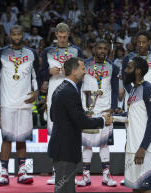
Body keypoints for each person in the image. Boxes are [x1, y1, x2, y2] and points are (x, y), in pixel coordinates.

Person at [48, 57, 113, 193]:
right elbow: (81, 122)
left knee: (64, 188)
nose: (85, 72)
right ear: (73, 70)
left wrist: (79, 115)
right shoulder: (70, 91)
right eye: (83, 69)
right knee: (66, 189)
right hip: (66, 149)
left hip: (61, 148)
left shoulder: (60, 88)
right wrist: (102, 120)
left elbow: (54, 116)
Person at [0, 25, 41, 186]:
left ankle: (22, 172)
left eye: (19, 34)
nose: (17, 36)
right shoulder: (1, 53)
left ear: (23, 35)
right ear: (10, 35)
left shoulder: (31, 53)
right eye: (14, 34)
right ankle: (4, 173)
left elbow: (36, 76)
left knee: (22, 138)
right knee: (6, 138)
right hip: (7, 102)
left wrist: (36, 92)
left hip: (25, 102)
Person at [40, 22, 82, 185]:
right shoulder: (47, 51)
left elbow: (81, 73)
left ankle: (72, 172)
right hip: (53, 93)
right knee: (54, 132)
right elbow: (41, 72)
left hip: (72, 93)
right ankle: (55, 171)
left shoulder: (76, 51)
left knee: (72, 131)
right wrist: (48, 73)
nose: (63, 39)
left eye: (65, 37)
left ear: (68, 34)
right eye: (60, 36)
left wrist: (71, 73)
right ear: (56, 34)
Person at [76, 39, 119, 187]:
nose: (102, 51)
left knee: (104, 144)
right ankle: (86, 176)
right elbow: (78, 86)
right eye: (99, 48)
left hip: (105, 110)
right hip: (88, 110)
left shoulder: (113, 67)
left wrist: (113, 107)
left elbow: (114, 89)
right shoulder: (84, 65)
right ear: (94, 49)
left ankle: (106, 176)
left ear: (108, 51)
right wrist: (79, 107)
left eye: (105, 49)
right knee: (87, 145)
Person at [123, 56, 151, 193]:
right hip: (134, 146)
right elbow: (134, 116)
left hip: (146, 148)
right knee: (136, 187)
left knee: (146, 189)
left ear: (138, 71)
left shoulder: (149, 89)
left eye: (129, 68)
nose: (125, 71)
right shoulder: (133, 89)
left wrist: (143, 147)